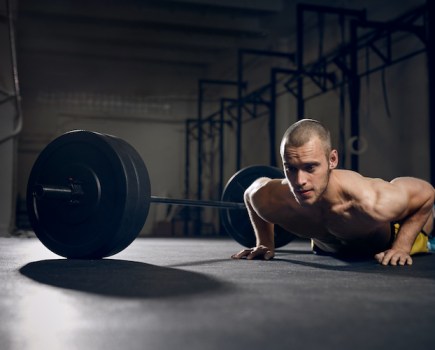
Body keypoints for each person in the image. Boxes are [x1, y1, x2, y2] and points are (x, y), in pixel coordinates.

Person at [232, 119, 434, 266]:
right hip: (332, 242)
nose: (300, 181)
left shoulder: (371, 201)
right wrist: (265, 243)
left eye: (310, 167)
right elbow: (250, 193)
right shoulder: (268, 198)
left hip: (390, 235)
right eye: (291, 168)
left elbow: (427, 192)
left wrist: (402, 246)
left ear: (332, 160)